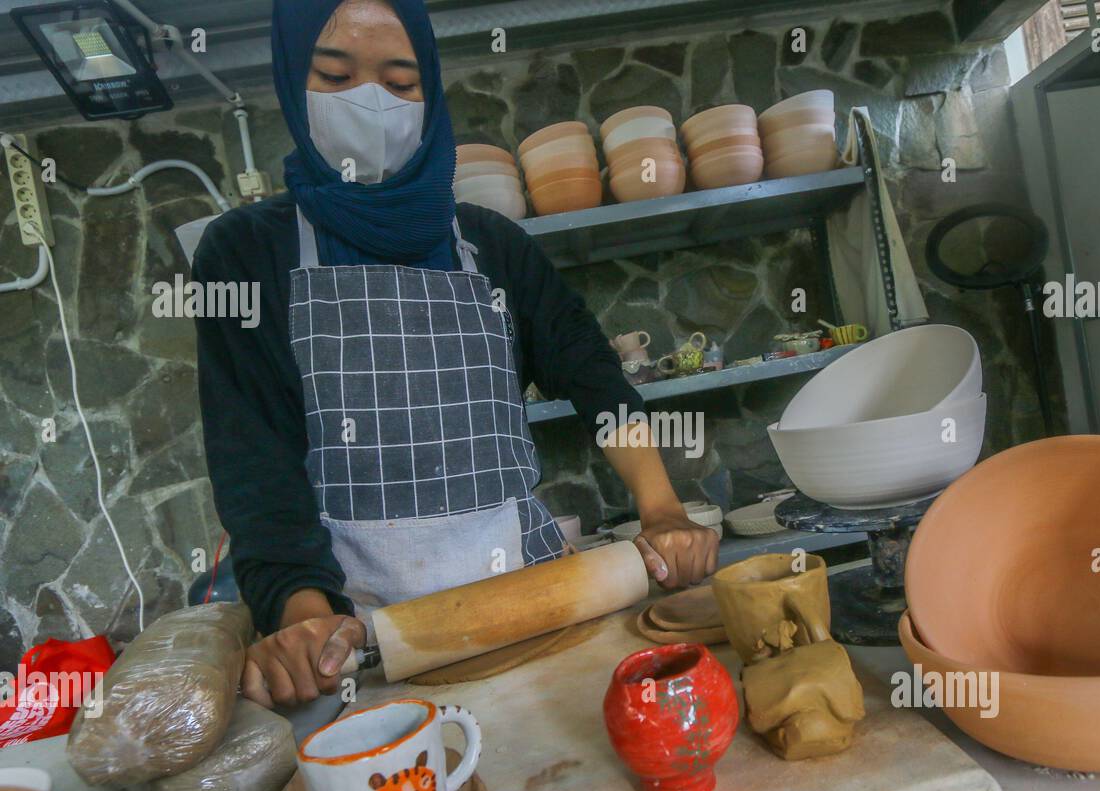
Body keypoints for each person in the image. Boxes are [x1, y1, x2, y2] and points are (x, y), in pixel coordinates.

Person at [193, 0, 718, 708]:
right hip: (363, 646)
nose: (371, 101)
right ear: (293, 82)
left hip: (532, 606)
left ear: (431, 93)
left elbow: (594, 377)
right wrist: (302, 617)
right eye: (336, 74)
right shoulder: (246, 252)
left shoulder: (492, 244)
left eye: (401, 82)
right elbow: (255, 459)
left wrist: (660, 508)